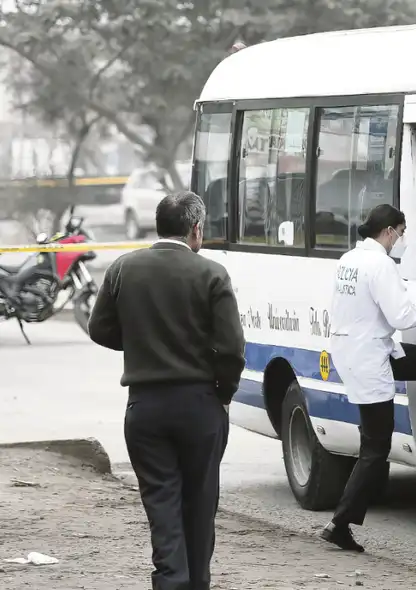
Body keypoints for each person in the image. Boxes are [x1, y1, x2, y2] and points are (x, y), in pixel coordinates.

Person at [88, 191, 246, 590]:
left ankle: (170, 581)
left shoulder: (124, 267)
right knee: (200, 506)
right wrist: (222, 394)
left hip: (145, 407)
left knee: (162, 507)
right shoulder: (212, 274)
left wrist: (144, 345)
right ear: (196, 229)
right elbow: (231, 348)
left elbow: (99, 329)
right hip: (200, 405)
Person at [321, 203, 416, 552]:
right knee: (376, 445)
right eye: (401, 234)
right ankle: (339, 523)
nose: (401, 240)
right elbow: (402, 315)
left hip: (362, 350)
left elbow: (388, 296)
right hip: (370, 358)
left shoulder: (351, 260)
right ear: (389, 231)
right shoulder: (379, 264)